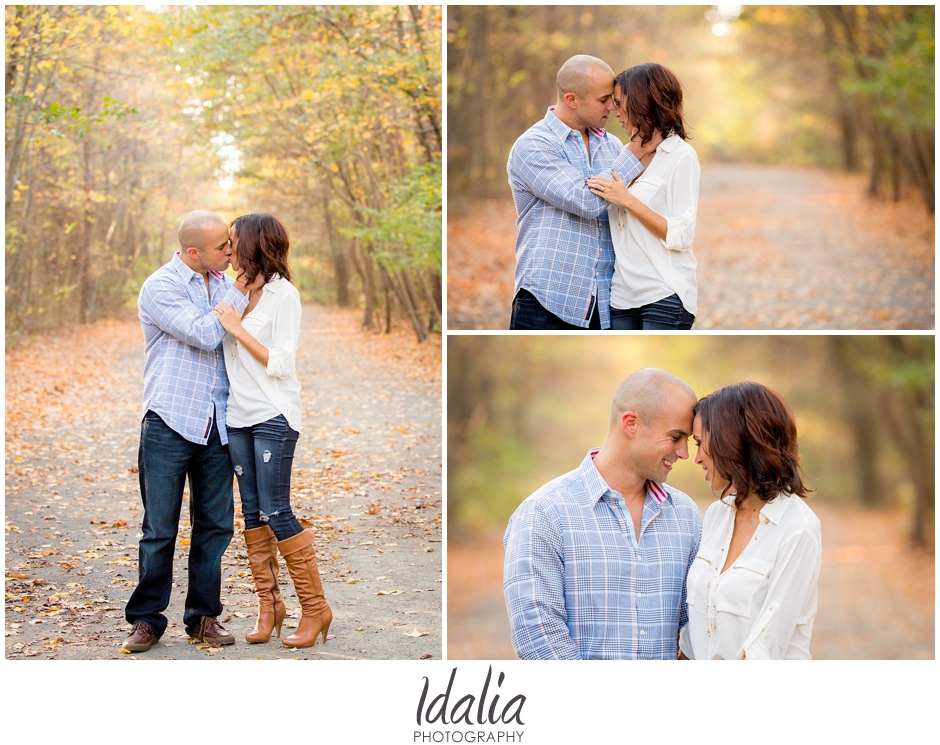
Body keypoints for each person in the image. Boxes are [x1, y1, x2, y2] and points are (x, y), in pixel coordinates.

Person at [503, 368, 702, 659]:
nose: (684, 452)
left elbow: (697, 624)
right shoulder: (544, 513)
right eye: (675, 436)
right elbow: (537, 636)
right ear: (631, 424)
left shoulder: (686, 516)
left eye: (688, 440)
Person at [123, 210, 252, 653]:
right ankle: (146, 620)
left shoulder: (220, 282)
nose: (231, 253)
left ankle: (202, 618)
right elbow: (203, 334)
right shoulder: (162, 286)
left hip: (219, 422)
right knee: (159, 528)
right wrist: (238, 291)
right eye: (223, 247)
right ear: (194, 250)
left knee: (215, 526)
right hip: (169, 420)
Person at [213, 213, 332, 648]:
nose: (227, 249)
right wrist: (234, 307)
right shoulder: (234, 293)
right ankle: (271, 607)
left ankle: (315, 610)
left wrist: (237, 326)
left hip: (274, 414)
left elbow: (281, 363)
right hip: (237, 416)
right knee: (252, 514)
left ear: (253, 245)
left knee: (277, 511)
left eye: (233, 242)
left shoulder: (286, 296)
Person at [507, 54, 662, 330]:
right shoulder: (533, 145)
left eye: (613, 100)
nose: (612, 108)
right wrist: (637, 151)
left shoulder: (614, 147)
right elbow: (585, 201)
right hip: (547, 300)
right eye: (603, 100)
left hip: (607, 301)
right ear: (571, 100)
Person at [680, 382, 822, 659]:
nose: (695, 458)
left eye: (699, 443)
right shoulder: (716, 515)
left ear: (733, 440)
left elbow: (767, 647)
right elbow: (695, 628)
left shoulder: (798, 528)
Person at [587, 63, 700, 330]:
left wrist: (627, 200)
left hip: (663, 293)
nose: (613, 110)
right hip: (621, 298)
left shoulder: (680, 156)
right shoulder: (624, 154)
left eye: (618, 102)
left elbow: (681, 235)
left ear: (641, 102)